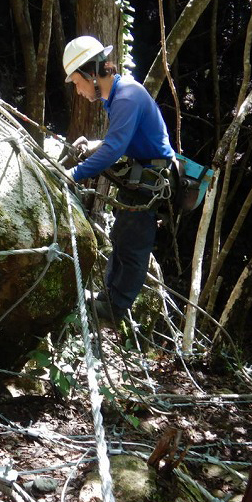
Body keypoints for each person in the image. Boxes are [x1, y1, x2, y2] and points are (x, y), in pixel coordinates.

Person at [62, 35, 176, 325]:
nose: (77, 91)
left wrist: (73, 175)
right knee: (122, 238)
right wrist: (95, 144)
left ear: (91, 73)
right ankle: (107, 299)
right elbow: (118, 141)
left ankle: (116, 308)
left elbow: (114, 149)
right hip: (139, 178)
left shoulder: (126, 96)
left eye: (77, 82)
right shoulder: (117, 96)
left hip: (149, 181)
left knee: (134, 244)